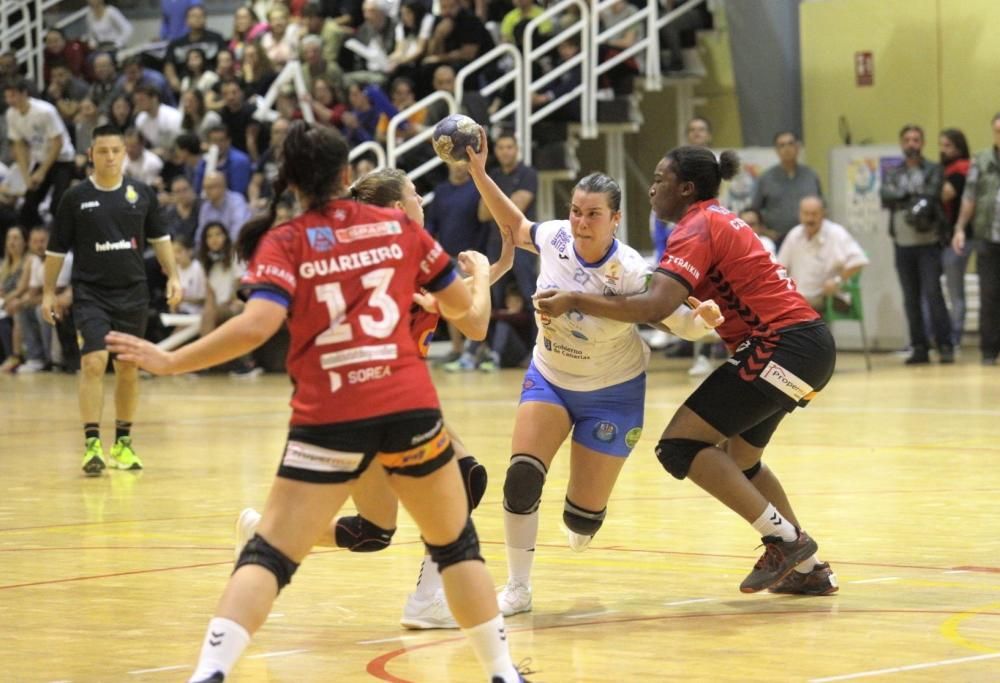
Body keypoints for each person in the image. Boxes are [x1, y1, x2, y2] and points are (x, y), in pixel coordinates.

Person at [104, 121, 531, 683]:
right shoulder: (400, 234)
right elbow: (471, 319)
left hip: (329, 409)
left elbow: (255, 328)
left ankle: (209, 672)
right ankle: (503, 673)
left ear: (289, 181)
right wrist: (480, 275)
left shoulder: (285, 240)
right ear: (346, 175)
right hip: (405, 403)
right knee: (456, 544)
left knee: (273, 556)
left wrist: (171, 360)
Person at [535, 145, 839, 597]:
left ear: (687, 188)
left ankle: (786, 542)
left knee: (679, 446)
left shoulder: (698, 226)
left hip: (784, 346)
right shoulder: (716, 219)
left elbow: (656, 305)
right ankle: (809, 569)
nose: (653, 187)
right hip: (805, 348)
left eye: (660, 177)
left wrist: (576, 299)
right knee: (740, 460)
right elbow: (668, 307)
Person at [235, 166, 514, 630]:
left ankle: (264, 534)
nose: (422, 200)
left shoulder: (381, 252)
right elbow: (476, 322)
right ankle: (428, 601)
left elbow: (459, 299)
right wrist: (484, 274)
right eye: (415, 194)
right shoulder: (404, 254)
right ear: (394, 210)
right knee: (464, 479)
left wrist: (495, 265)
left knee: (374, 532)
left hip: (366, 397)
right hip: (373, 402)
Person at [465, 128, 726, 615]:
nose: (581, 222)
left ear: (615, 219)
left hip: (613, 391)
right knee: (522, 476)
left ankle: (584, 516)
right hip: (551, 377)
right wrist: (479, 173)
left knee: (582, 519)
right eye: (575, 211)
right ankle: (518, 588)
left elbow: (679, 324)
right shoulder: (556, 238)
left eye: (593, 214)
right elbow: (517, 224)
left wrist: (704, 322)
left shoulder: (630, 271)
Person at [42, 124, 182, 475]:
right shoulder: (74, 198)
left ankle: (122, 443)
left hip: (132, 292)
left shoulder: (142, 194)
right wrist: (48, 292)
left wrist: (174, 275)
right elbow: (56, 250)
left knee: (128, 368)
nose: (109, 157)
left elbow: (160, 238)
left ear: (124, 153)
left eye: (115, 151)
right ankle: (92, 445)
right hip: (90, 293)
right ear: (91, 154)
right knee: (93, 362)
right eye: (101, 151)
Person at [880, 124, 952, 365]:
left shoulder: (933, 169)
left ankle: (945, 345)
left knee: (933, 294)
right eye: (907, 139)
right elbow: (885, 195)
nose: (912, 144)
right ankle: (919, 347)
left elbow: (931, 195)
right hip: (902, 243)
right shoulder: (893, 172)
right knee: (911, 298)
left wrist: (904, 196)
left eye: (916, 139)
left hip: (929, 242)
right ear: (902, 143)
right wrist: (912, 196)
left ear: (922, 143)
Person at [951, 114, 1000, 365]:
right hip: (987, 238)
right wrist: (960, 228)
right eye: (998, 131)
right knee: (989, 295)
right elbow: (969, 197)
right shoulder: (981, 160)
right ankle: (989, 351)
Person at [3, 77, 76, 228]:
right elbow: (19, 145)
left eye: (13, 95)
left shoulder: (45, 111)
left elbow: (58, 142)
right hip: (41, 159)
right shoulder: (11, 114)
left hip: (62, 159)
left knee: (57, 204)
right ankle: (35, 238)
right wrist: (26, 177)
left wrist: (42, 172)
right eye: (7, 96)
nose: (10, 100)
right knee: (28, 206)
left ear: (24, 94)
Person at [777, 196, 869, 312]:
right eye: (806, 214)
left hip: (830, 296)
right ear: (800, 215)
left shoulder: (836, 233)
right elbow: (780, 267)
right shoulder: (794, 234)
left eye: (814, 214)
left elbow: (859, 260)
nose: (810, 219)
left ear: (823, 214)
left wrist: (837, 281)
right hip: (798, 295)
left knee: (799, 309)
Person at [750, 131, 823, 244]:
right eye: (782, 145)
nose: (787, 148)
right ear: (776, 150)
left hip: (808, 237)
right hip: (777, 239)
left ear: (798, 147)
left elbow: (822, 207)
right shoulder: (766, 178)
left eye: (790, 144)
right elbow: (753, 211)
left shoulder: (811, 175)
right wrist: (765, 231)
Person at [938, 128, 971, 348]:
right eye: (941, 145)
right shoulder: (947, 168)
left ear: (959, 146)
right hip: (946, 235)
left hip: (960, 236)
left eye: (948, 145)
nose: (943, 150)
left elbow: (945, 194)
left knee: (955, 289)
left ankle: (955, 336)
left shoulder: (962, 168)